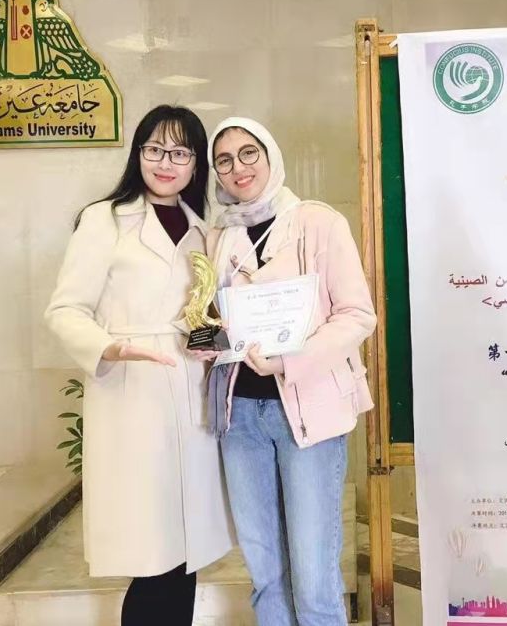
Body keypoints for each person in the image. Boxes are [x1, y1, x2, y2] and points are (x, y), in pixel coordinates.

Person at [44, 105, 233, 626]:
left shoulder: (203, 231)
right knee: (151, 556)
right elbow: (65, 310)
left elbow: (202, 315)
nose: (165, 162)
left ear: (196, 164)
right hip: (131, 395)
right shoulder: (105, 219)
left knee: (186, 553)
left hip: (190, 397)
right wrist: (111, 348)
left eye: (180, 152)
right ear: (138, 153)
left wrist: (213, 338)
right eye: (155, 149)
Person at [198, 116, 376, 626]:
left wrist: (289, 361)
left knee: (314, 576)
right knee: (265, 572)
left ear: (270, 155)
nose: (238, 167)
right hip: (240, 417)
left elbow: (357, 315)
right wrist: (205, 340)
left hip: (309, 413)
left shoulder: (317, 222)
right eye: (224, 160)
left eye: (248, 153)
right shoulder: (218, 238)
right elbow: (212, 320)